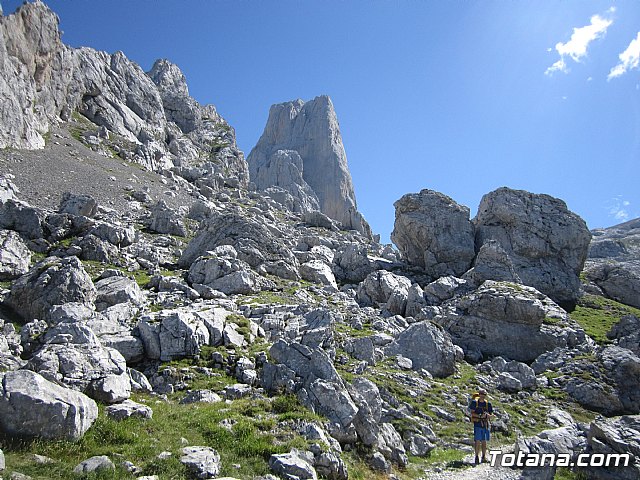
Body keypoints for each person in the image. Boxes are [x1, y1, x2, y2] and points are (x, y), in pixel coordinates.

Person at [468, 388, 493, 465]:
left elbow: (491, 414)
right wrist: (480, 416)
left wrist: (488, 416)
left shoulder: (488, 404)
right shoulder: (475, 403)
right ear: (479, 394)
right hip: (478, 424)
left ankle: (483, 457)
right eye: (481, 394)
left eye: (484, 394)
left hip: (485, 424)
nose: (483, 396)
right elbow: (472, 413)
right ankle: (476, 457)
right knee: (477, 441)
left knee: (484, 441)